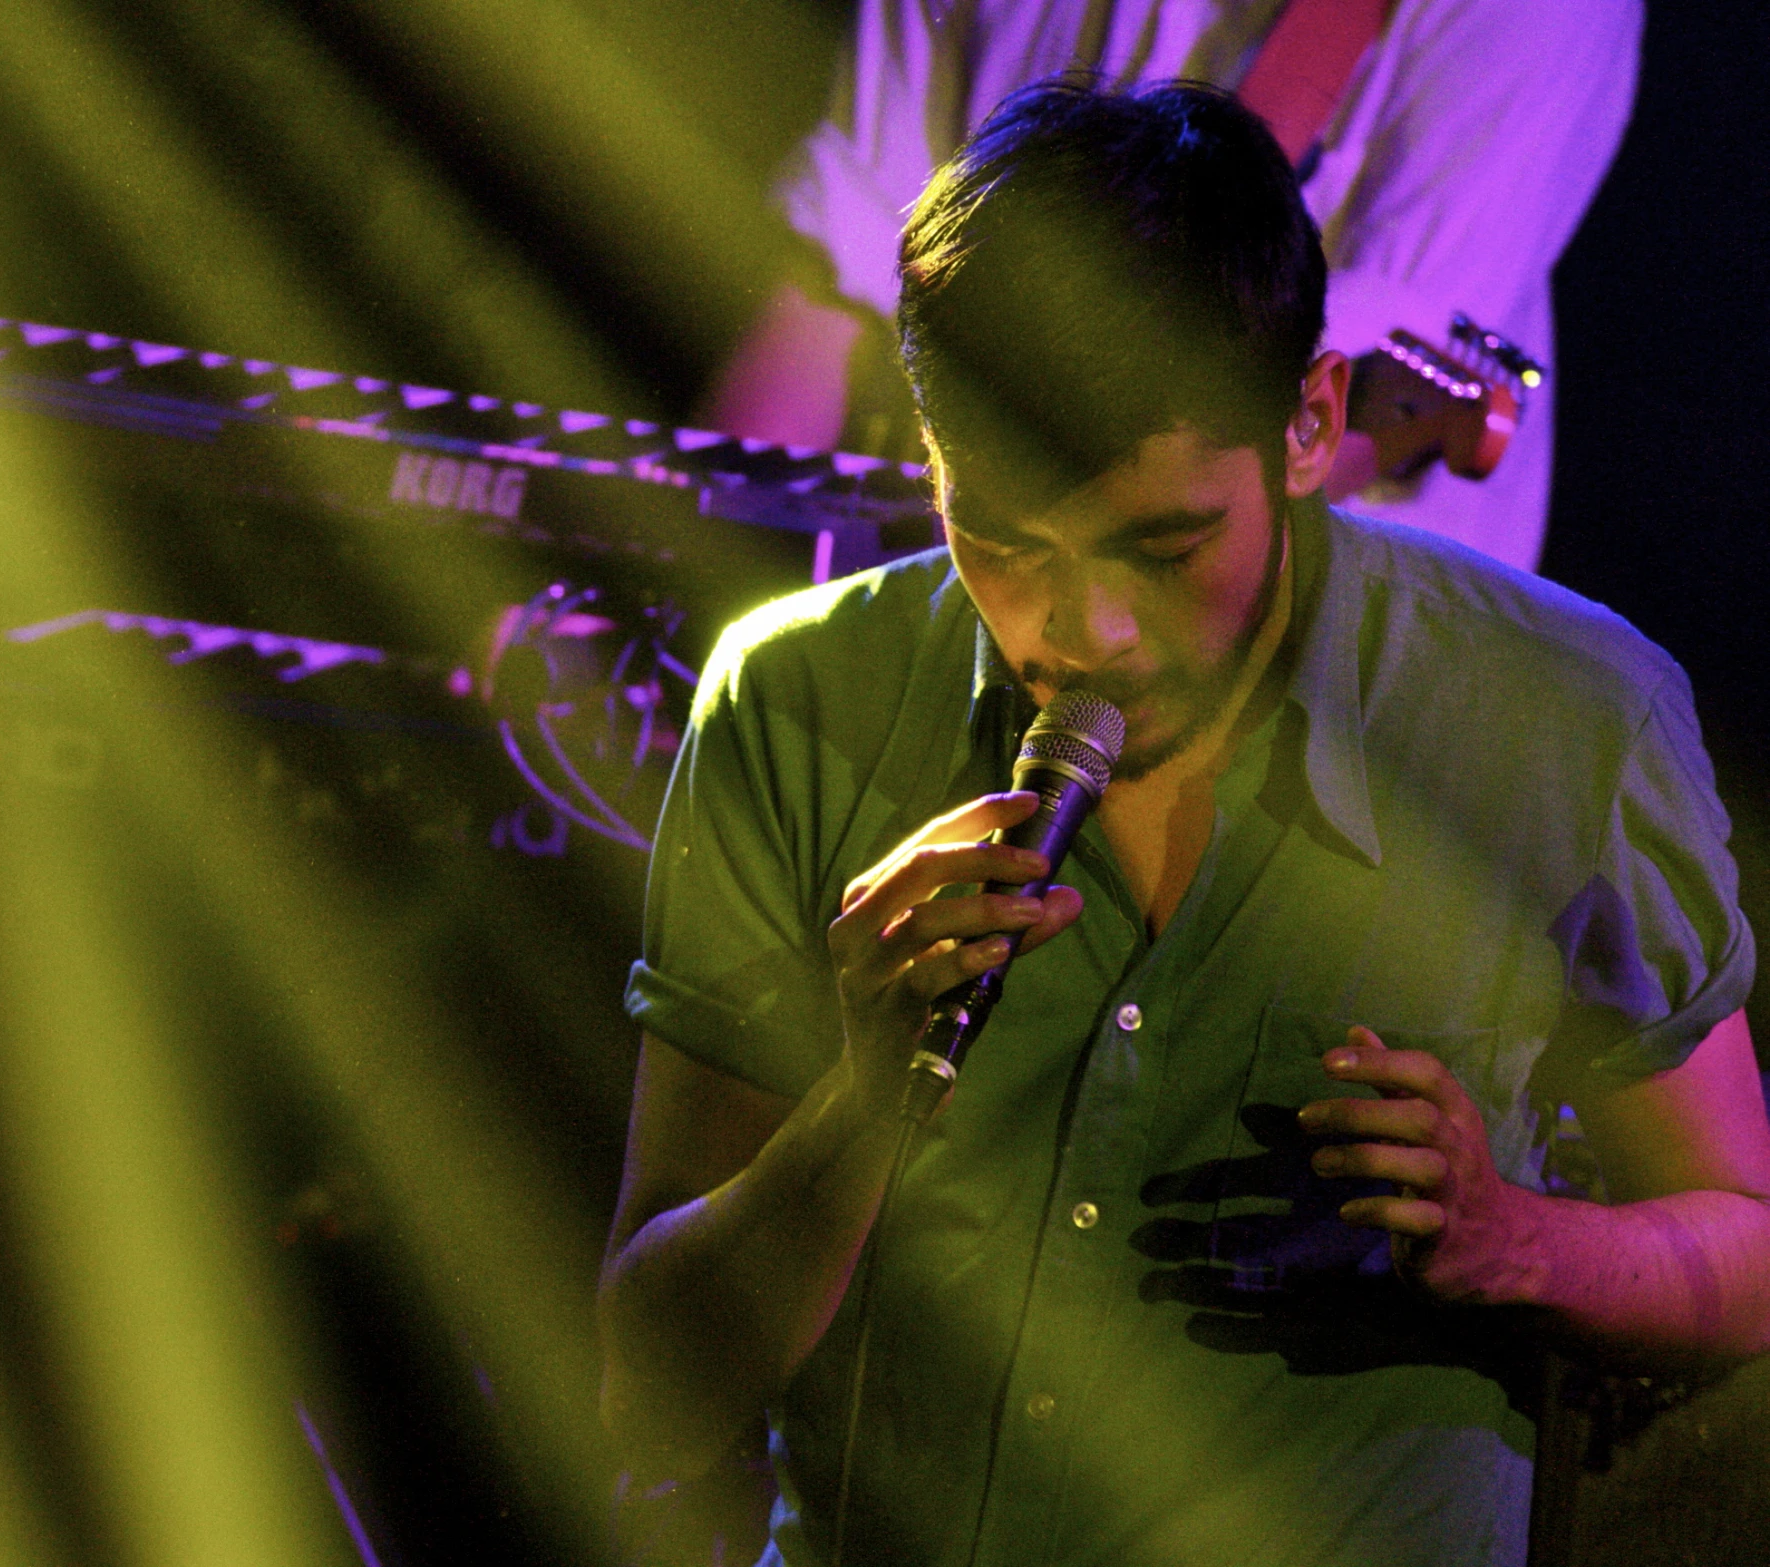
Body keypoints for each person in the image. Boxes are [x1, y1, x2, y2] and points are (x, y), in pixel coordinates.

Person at [601, 82, 1768, 1567]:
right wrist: (855, 1105)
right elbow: (649, 1393)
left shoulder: (1559, 715)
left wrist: (1511, 1235)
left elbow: (1743, 1250)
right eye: (1002, 544)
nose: (1079, 630)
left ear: (1310, 418)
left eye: (1162, 545)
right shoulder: (794, 697)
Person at [704, 0, 1641, 573]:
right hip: (960, 569)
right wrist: (678, 573)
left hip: (1327, 700)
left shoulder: (1548, 11)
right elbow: (835, 277)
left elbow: (1353, 406)